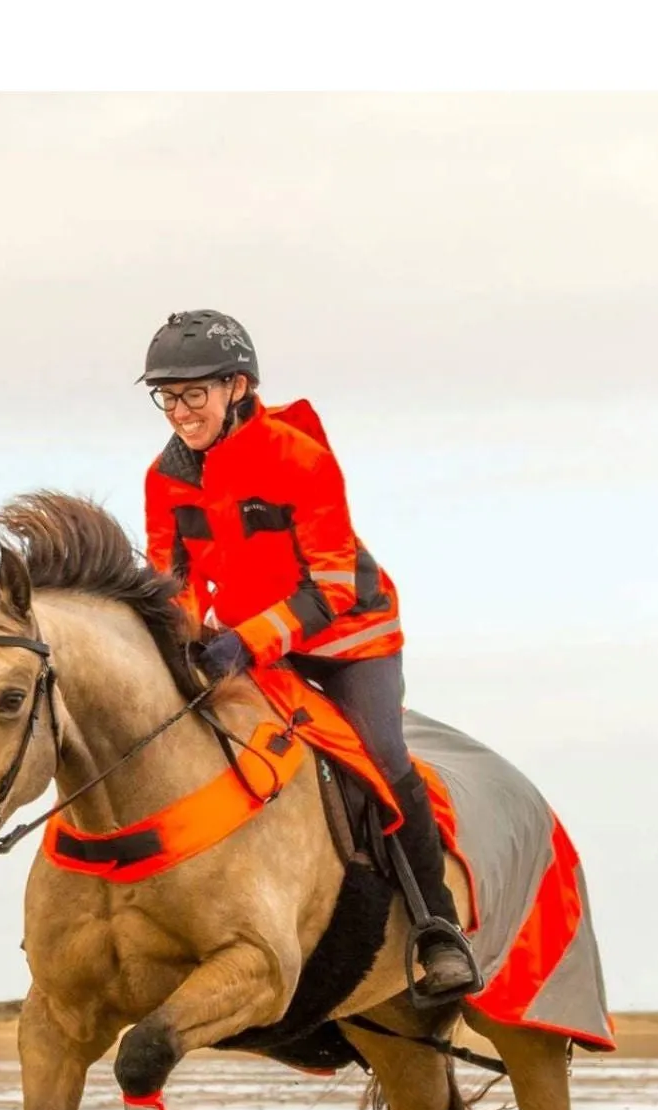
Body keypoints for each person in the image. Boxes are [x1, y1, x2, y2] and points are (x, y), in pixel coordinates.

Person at [138, 308, 481, 1003]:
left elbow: (330, 586)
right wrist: (180, 647)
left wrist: (245, 641)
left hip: (351, 639)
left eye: (192, 394)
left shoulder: (301, 459)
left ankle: (438, 931)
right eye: (167, 397)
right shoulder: (164, 478)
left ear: (237, 388)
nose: (178, 412)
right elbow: (169, 580)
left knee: (381, 757)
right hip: (249, 646)